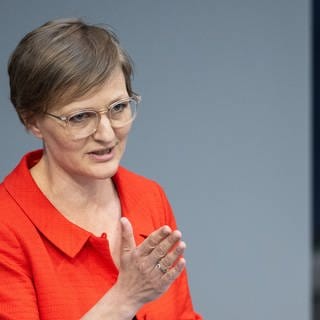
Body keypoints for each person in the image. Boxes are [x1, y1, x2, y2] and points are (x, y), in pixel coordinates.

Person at [0, 18, 202, 319]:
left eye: (118, 108)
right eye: (81, 116)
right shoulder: (7, 226)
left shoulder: (148, 197)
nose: (107, 134)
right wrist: (124, 299)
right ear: (32, 121)